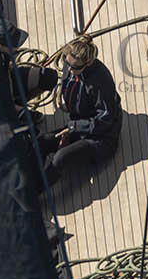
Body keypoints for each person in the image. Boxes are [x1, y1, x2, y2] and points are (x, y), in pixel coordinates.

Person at [40, 36, 122, 183]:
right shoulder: (70, 66)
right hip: (79, 123)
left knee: (61, 158)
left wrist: (73, 128)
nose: (70, 70)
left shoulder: (101, 81)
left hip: (102, 137)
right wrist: (72, 129)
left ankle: (35, 192)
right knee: (42, 142)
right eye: (67, 63)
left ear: (88, 62)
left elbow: (105, 119)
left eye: (75, 67)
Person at [0, 18, 58, 117]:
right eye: (13, 44)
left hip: (7, 80)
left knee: (48, 77)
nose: (17, 47)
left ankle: (19, 104)